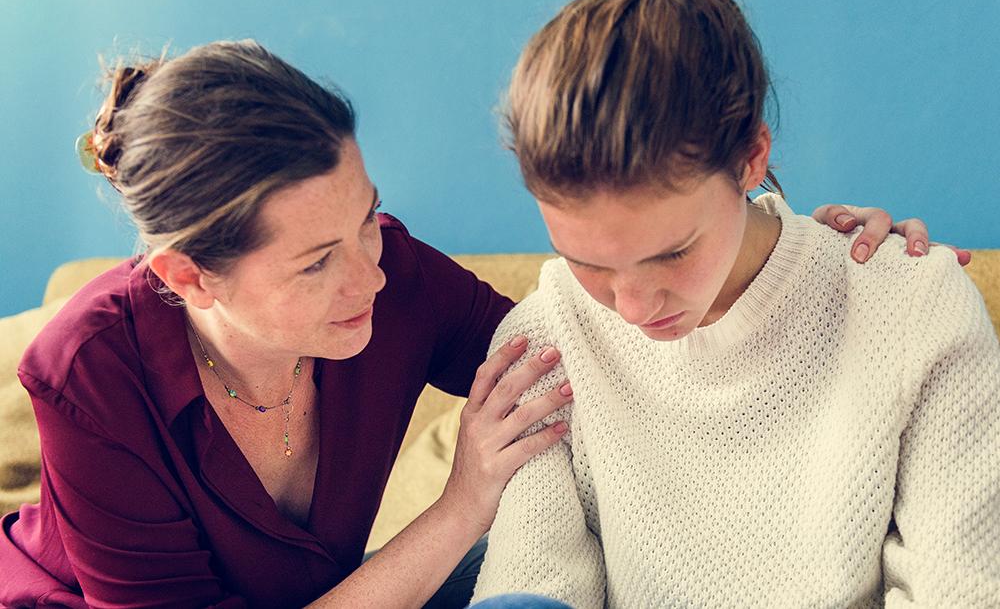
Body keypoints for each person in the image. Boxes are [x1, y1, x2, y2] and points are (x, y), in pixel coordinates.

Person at [0, 39, 959, 608]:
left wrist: (803, 252)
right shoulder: (87, 371)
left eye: (367, 215)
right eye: (316, 260)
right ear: (186, 276)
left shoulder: (392, 275)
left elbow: (603, 350)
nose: (369, 268)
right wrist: (461, 504)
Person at [471, 0, 1000, 608]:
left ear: (752, 156)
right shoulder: (543, 345)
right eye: (590, 263)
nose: (630, 306)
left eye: (671, 254)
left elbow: (964, 592)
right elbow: (531, 587)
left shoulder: (915, 309)